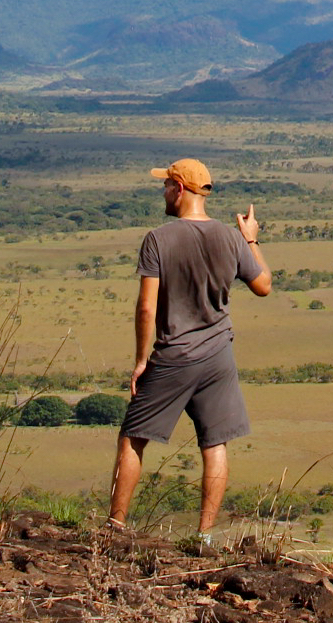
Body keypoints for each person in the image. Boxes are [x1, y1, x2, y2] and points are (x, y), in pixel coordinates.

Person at [108, 158, 271, 539]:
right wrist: (250, 238)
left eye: (166, 185)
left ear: (180, 189)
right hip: (218, 357)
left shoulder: (158, 239)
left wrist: (140, 359)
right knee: (215, 443)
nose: (163, 192)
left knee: (133, 437)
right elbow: (263, 285)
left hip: (173, 355)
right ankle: (205, 536)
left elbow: (147, 306)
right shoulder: (230, 238)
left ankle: (115, 526)